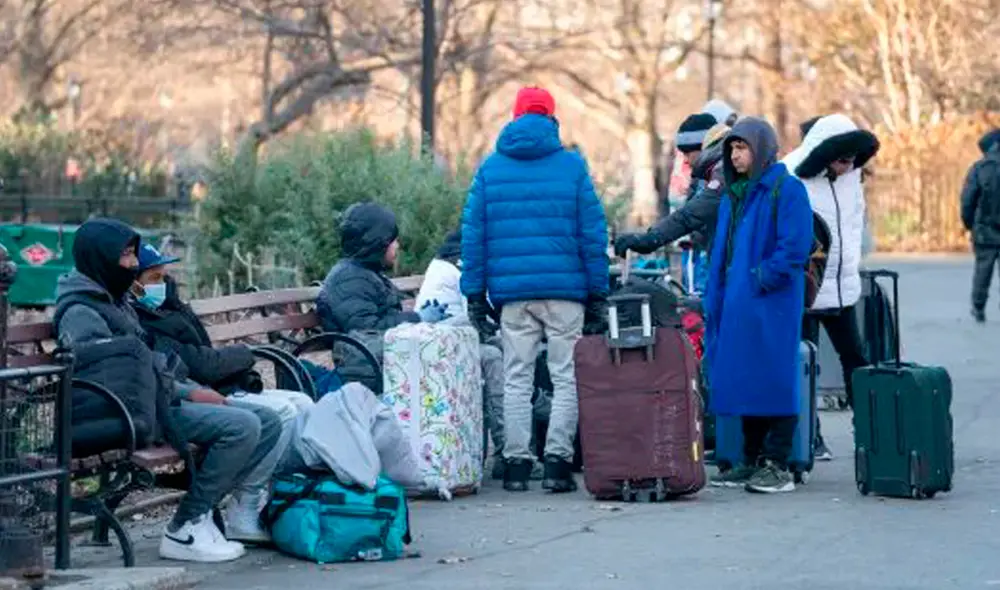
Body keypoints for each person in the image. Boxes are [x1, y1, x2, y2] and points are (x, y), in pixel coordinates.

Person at [53, 218, 282, 562]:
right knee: (243, 426)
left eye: (133, 254)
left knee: (268, 421)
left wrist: (189, 390)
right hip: (123, 415)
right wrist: (186, 394)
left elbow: (147, 366)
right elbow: (109, 380)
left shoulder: (115, 301)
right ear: (101, 257)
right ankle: (185, 527)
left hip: (152, 403)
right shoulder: (82, 310)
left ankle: (204, 513)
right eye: (126, 256)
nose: (133, 264)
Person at [461, 86, 609, 493]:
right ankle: (558, 465)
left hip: (513, 296)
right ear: (551, 118)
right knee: (566, 377)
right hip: (565, 293)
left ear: (515, 117)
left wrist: (474, 294)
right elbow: (593, 234)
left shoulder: (491, 168)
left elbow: (473, 236)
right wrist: (598, 292)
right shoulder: (572, 166)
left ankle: (516, 467)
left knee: (516, 378)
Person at [129, 242, 313, 538]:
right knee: (281, 414)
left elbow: (202, 359)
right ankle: (242, 504)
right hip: (193, 393)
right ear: (133, 283)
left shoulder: (170, 306)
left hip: (209, 387)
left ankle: (272, 499)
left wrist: (234, 358)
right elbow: (199, 365)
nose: (162, 284)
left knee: (302, 403)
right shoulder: (144, 318)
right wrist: (244, 353)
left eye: (163, 276)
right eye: (154, 278)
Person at [703, 117, 814, 494]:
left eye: (742, 147)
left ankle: (777, 464)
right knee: (746, 378)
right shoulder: (734, 194)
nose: (735, 155)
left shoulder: (787, 189)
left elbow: (795, 247)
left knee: (775, 379)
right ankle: (749, 460)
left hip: (770, 300)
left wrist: (761, 278)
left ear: (761, 149)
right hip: (738, 301)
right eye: (732, 149)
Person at [785, 114, 880, 462]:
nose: (848, 166)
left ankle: (871, 432)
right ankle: (810, 437)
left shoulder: (851, 178)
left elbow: (854, 225)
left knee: (855, 358)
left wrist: (853, 264)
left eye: (853, 160)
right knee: (806, 365)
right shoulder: (790, 174)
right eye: (842, 160)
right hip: (807, 289)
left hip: (842, 287)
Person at [316, 202, 450, 389]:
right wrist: (417, 318)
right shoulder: (349, 278)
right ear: (377, 242)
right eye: (393, 241)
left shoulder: (366, 273)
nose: (397, 246)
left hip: (382, 360)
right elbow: (366, 330)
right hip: (365, 368)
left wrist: (421, 318)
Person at [415, 229, 506, 479]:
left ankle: (510, 446)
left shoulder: (441, 267)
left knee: (504, 349)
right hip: (444, 347)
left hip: (441, 342)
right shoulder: (457, 271)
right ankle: (506, 449)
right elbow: (478, 316)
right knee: (499, 355)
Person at [615, 122, 731, 274]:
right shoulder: (718, 172)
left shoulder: (724, 173)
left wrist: (651, 239)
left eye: (687, 153)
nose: (685, 161)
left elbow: (692, 214)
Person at [961, 128, 1000, 323]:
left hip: (984, 229)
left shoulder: (979, 168)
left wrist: (969, 223)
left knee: (983, 270)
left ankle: (978, 307)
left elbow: (968, 199)